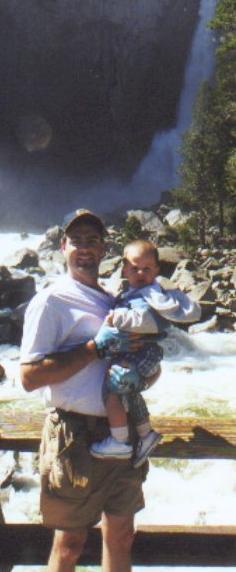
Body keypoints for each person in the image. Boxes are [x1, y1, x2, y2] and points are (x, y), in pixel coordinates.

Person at [20, 209, 151, 572]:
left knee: (122, 534)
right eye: (77, 241)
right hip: (73, 435)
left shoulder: (114, 300)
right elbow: (29, 377)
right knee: (70, 545)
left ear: (104, 248)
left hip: (119, 433)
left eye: (93, 240)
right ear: (63, 246)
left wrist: (144, 371)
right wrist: (94, 348)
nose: (85, 248)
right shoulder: (51, 300)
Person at [90, 239, 202, 468]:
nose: (140, 273)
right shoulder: (134, 291)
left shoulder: (151, 293)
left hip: (141, 351)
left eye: (147, 269)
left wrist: (117, 319)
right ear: (124, 269)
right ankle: (145, 434)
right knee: (129, 392)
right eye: (134, 268)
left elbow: (149, 322)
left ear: (157, 271)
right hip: (143, 353)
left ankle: (119, 441)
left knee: (112, 391)